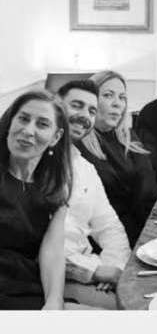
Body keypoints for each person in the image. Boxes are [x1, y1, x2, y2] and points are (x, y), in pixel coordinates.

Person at [57, 79, 130, 309]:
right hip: (54, 278)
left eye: (91, 110)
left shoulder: (84, 167)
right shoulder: (35, 162)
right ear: (56, 106)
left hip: (91, 266)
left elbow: (109, 226)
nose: (84, 116)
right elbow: (39, 247)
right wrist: (94, 271)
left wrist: (113, 265)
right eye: (76, 105)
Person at [0, 90, 72, 310]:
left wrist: (54, 301)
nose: (28, 130)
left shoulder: (56, 186)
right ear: (10, 122)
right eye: (23, 119)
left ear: (56, 137)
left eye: (42, 124)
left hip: (27, 288)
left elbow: (53, 252)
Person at [78, 71, 157, 247]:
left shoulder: (127, 136)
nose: (117, 103)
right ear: (90, 100)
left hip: (147, 230)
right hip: (110, 243)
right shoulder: (79, 146)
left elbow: (148, 186)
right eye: (108, 95)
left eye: (122, 97)